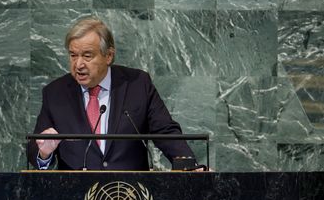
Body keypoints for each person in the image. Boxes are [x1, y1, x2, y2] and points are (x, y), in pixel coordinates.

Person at [27, 17, 197, 170]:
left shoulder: (137, 84)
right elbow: (36, 149)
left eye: (87, 56)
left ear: (108, 56)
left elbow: (165, 132)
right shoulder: (55, 93)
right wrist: (44, 153)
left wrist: (189, 166)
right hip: (76, 196)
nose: (78, 64)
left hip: (131, 194)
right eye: (73, 55)